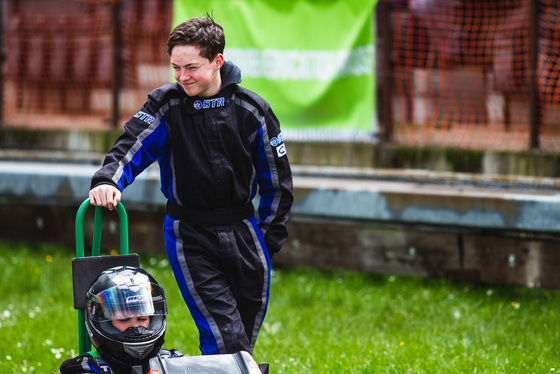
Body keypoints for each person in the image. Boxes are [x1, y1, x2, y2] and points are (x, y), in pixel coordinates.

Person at [87, 14, 293, 356]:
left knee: (242, 337)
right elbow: (132, 145)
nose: (182, 77)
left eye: (192, 67)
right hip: (189, 234)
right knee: (224, 336)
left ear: (217, 61)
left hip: (245, 234)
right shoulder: (165, 105)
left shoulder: (252, 110)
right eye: (175, 67)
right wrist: (108, 180)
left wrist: (267, 240)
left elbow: (278, 181)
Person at [59, 266, 181, 374]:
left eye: (142, 318)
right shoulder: (87, 367)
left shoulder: (172, 362)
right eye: (123, 319)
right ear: (104, 322)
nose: (135, 327)